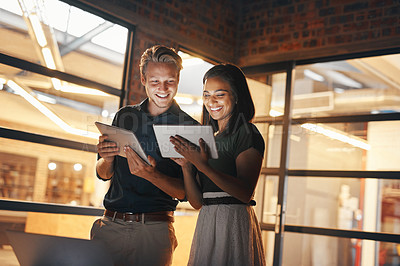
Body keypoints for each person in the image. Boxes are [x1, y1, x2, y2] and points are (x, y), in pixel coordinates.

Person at [91, 45, 198, 266]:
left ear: (178, 78)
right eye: (155, 81)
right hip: (111, 225)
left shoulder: (189, 127)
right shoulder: (124, 116)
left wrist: (151, 175)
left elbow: (185, 193)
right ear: (143, 78)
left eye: (170, 80)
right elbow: (103, 173)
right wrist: (107, 158)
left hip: (154, 231)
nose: (163, 88)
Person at [170, 63, 266, 266]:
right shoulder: (206, 138)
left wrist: (203, 166)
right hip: (207, 221)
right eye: (206, 95)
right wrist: (187, 166)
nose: (211, 102)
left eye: (219, 94)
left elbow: (244, 193)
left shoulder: (247, 132)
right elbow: (197, 203)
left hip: (233, 222)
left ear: (237, 96)